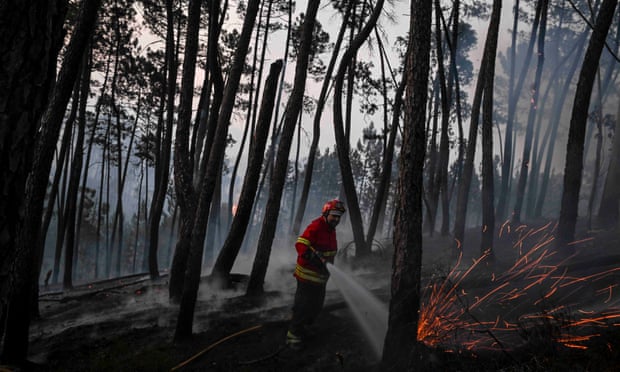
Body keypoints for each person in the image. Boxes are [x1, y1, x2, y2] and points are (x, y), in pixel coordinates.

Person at [286, 199, 346, 350]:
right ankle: (293, 337)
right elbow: (300, 244)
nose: (337, 219)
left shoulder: (331, 230)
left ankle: (304, 329)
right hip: (307, 277)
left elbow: (329, 252)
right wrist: (312, 257)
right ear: (326, 214)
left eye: (339, 217)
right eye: (334, 216)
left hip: (321, 278)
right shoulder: (317, 226)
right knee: (302, 306)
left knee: (316, 307)